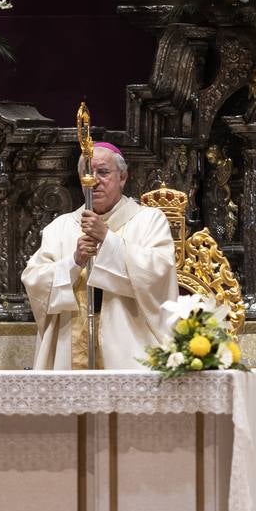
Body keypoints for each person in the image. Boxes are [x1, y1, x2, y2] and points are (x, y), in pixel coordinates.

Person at [21, 142, 177, 369]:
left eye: (103, 172)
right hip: (69, 352)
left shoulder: (149, 221)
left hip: (130, 354)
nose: (93, 180)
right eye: (87, 173)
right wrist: (74, 262)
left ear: (122, 177)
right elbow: (35, 281)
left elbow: (159, 274)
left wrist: (107, 238)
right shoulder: (61, 227)